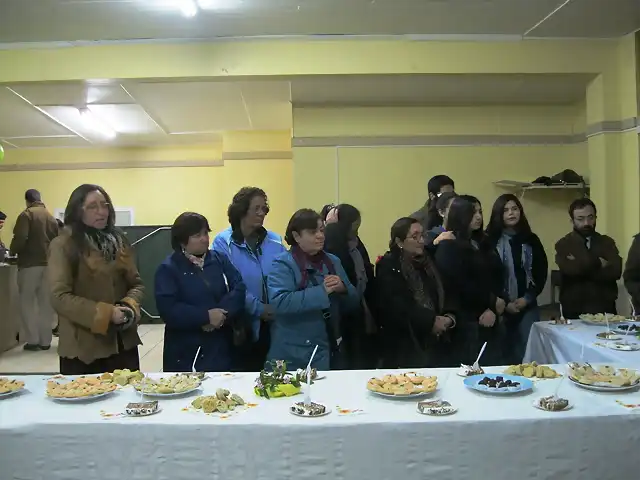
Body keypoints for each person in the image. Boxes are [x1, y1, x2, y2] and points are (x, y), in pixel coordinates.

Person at [48, 184, 143, 374]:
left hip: (123, 343)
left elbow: (136, 284)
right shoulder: (64, 245)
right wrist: (107, 314)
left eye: (105, 205)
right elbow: (59, 297)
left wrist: (128, 308)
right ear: (77, 211)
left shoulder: (119, 241)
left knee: (127, 399)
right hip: (84, 349)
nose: (102, 212)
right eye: (92, 206)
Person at [267, 209, 359, 370]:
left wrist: (343, 289)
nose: (320, 236)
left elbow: (354, 302)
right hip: (293, 352)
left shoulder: (332, 261)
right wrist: (322, 292)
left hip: (330, 345)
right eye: (312, 232)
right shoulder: (283, 264)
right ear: (296, 236)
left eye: (322, 230)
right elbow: (279, 302)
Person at [156, 212, 246, 373]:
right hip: (186, 348)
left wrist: (221, 314)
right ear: (182, 241)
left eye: (206, 233)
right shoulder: (169, 268)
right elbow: (168, 309)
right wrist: (205, 316)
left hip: (220, 342)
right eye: (197, 235)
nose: (204, 239)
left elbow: (238, 287)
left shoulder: (219, 259)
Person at [212, 187, 285, 371]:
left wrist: (278, 305)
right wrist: (259, 308)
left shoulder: (275, 241)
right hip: (241, 323)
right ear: (241, 210)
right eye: (257, 208)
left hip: (276, 321)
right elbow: (228, 285)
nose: (262, 213)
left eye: (265, 209)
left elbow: (284, 276)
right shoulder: (222, 243)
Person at [376, 217, 458, 368]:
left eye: (423, 235)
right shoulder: (389, 265)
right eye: (415, 237)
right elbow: (398, 304)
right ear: (399, 242)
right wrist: (430, 321)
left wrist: (449, 317)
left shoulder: (430, 260)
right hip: (409, 341)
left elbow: (447, 290)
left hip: (441, 336)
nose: (421, 240)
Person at [434, 198, 504, 365]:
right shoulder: (449, 246)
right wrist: (487, 305)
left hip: (492, 312)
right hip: (467, 318)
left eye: (480, 211)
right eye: (472, 213)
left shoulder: (482, 242)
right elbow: (458, 284)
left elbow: (496, 274)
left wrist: (496, 302)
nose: (478, 217)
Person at [486, 193, 548, 364]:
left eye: (515, 209)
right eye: (506, 210)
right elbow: (485, 276)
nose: (511, 213)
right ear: (499, 214)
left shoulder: (531, 239)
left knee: (528, 352)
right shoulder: (489, 241)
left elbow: (540, 272)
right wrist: (505, 303)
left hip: (526, 304)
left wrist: (526, 299)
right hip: (498, 306)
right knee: (502, 354)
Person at [324, 204, 377, 369]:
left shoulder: (355, 244)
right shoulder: (334, 245)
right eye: (354, 226)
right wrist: (331, 228)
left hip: (359, 306)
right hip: (342, 313)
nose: (356, 230)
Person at [10, 189, 59, 351]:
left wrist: (13, 250)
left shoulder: (26, 215)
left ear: (27, 200)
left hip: (30, 264)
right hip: (49, 265)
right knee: (46, 304)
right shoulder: (51, 217)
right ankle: (46, 341)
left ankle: (33, 340)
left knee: (27, 303)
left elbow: (21, 238)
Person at [556, 198, 622, 318]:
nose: (586, 223)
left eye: (590, 217)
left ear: (596, 217)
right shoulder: (563, 244)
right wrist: (600, 263)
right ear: (572, 221)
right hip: (574, 310)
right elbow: (571, 270)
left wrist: (580, 262)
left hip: (605, 310)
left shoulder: (607, 242)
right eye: (580, 219)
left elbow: (616, 271)